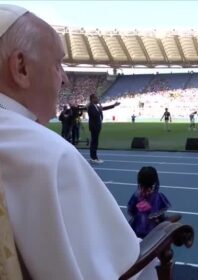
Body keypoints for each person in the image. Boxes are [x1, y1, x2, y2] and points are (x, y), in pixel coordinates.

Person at [0, 4, 156, 279]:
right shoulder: (49, 156)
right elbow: (124, 268)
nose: (64, 78)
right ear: (21, 67)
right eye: (57, 64)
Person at [127, 166, 180, 238]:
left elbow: (132, 212)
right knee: (177, 217)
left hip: (136, 229)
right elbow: (161, 217)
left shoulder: (136, 195)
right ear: (155, 181)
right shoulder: (158, 196)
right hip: (152, 231)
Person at [87, 93, 120, 163]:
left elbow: (104, 108)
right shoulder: (91, 106)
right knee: (94, 142)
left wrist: (113, 105)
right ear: (92, 99)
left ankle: (94, 157)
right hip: (94, 126)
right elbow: (94, 115)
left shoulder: (96, 106)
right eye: (96, 98)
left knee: (95, 142)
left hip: (97, 126)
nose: (98, 99)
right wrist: (100, 110)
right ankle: (93, 158)